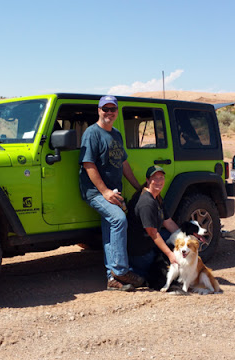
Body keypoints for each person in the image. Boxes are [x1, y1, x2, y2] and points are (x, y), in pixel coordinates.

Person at [79, 95, 143, 291]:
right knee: (118, 220)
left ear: (116, 112)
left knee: (110, 227)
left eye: (112, 109)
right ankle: (121, 271)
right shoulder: (92, 133)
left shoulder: (116, 134)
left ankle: (112, 279)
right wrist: (105, 191)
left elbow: (123, 162)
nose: (109, 112)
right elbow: (88, 164)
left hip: (113, 192)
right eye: (105, 109)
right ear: (98, 110)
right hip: (95, 192)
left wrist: (138, 187)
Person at [127, 166, 180, 286]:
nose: (159, 181)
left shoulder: (157, 198)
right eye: (155, 178)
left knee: (173, 237)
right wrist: (170, 255)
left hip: (149, 241)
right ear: (148, 180)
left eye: (161, 177)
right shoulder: (146, 202)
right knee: (157, 275)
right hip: (140, 251)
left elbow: (168, 222)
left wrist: (185, 240)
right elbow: (153, 233)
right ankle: (135, 272)